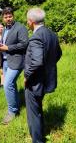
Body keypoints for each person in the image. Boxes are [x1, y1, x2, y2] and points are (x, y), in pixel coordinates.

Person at [24, 8, 62, 143]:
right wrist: (48, 68)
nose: (27, 23)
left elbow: (37, 61)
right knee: (38, 108)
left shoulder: (36, 37)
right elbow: (58, 54)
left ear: (31, 21)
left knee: (33, 113)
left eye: (27, 21)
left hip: (35, 81)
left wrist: (26, 76)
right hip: (46, 79)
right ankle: (39, 132)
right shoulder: (52, 34)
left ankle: (37, 140)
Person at [0, 7, 28, 125]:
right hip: (5, 60)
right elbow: (6, 43)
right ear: (3, 18)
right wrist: (1, 47)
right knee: (12, 85)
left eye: (10, 16)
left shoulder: (20, 27)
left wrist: (8, 48)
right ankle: (16, 105)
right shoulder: (4, 29)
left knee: (7, 84)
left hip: (16, 61)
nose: (8, 19)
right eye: (5, 17)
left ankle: (12, 111)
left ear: (13, 16)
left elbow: (25, 44)